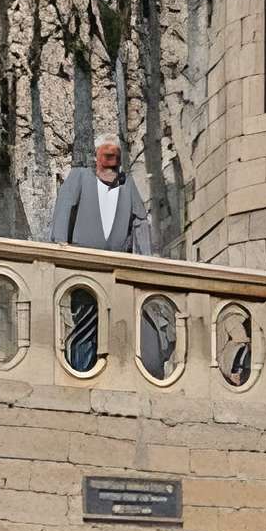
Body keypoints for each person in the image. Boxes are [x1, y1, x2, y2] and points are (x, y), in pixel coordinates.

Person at [51, 139, 153, 371]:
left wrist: (146, 259)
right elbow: (64, 205)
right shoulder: (80, 177)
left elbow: (139, 220)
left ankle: (110, 371)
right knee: (86, 321)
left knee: (117, 324)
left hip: (117, 268)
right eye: (107, 159)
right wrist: (60, 245)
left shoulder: (127, 184)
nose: (111, 167)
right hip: (84, 265)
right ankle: (82, 372)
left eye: (115, 161)